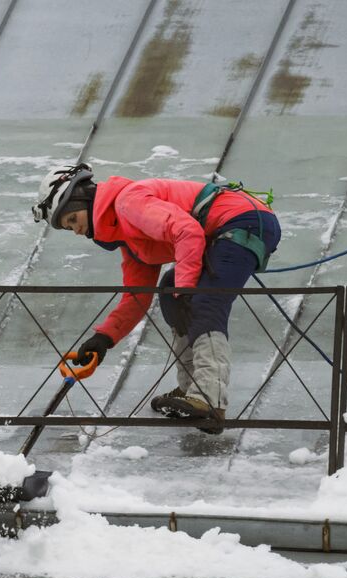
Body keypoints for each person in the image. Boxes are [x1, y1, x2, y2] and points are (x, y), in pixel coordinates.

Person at [33, 163, 281, 434]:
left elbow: (187, 231)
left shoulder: (129, 202)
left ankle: (209, 400)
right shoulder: (128, 238)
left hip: (242, 220)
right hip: (226, 229)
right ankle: (191, 391)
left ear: (81, 198)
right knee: (170, 291)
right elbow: (137, 298)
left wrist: (187, 289)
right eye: (69, 229)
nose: (76, 231)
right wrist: (104, 339)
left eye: (71, 220)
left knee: (205, 301)